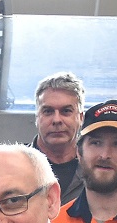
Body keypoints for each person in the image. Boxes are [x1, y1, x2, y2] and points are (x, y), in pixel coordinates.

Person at [31, 72, 86, 204]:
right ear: (37, 118)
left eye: (66, 111)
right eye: (48, 111)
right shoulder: (15, 168)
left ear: (81, 117)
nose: (56, 120)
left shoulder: (96, 172)